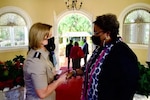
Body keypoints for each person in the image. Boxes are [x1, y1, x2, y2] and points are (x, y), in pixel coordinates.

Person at [72, 13, 139, 100]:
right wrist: (75, 72)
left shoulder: (123, 53)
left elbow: (129, 85)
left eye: (97, 33)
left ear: (108, 33)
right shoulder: (100, 48)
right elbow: (90, 67)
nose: (94, 36)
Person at [23, 22, 67, 100]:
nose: (51, 37)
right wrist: (60, 81)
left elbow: (45, 72)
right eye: (48, 36)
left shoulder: (44, 54)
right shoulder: (36, 61)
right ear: (39, 37)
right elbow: (42, 93)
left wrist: (55, 74)